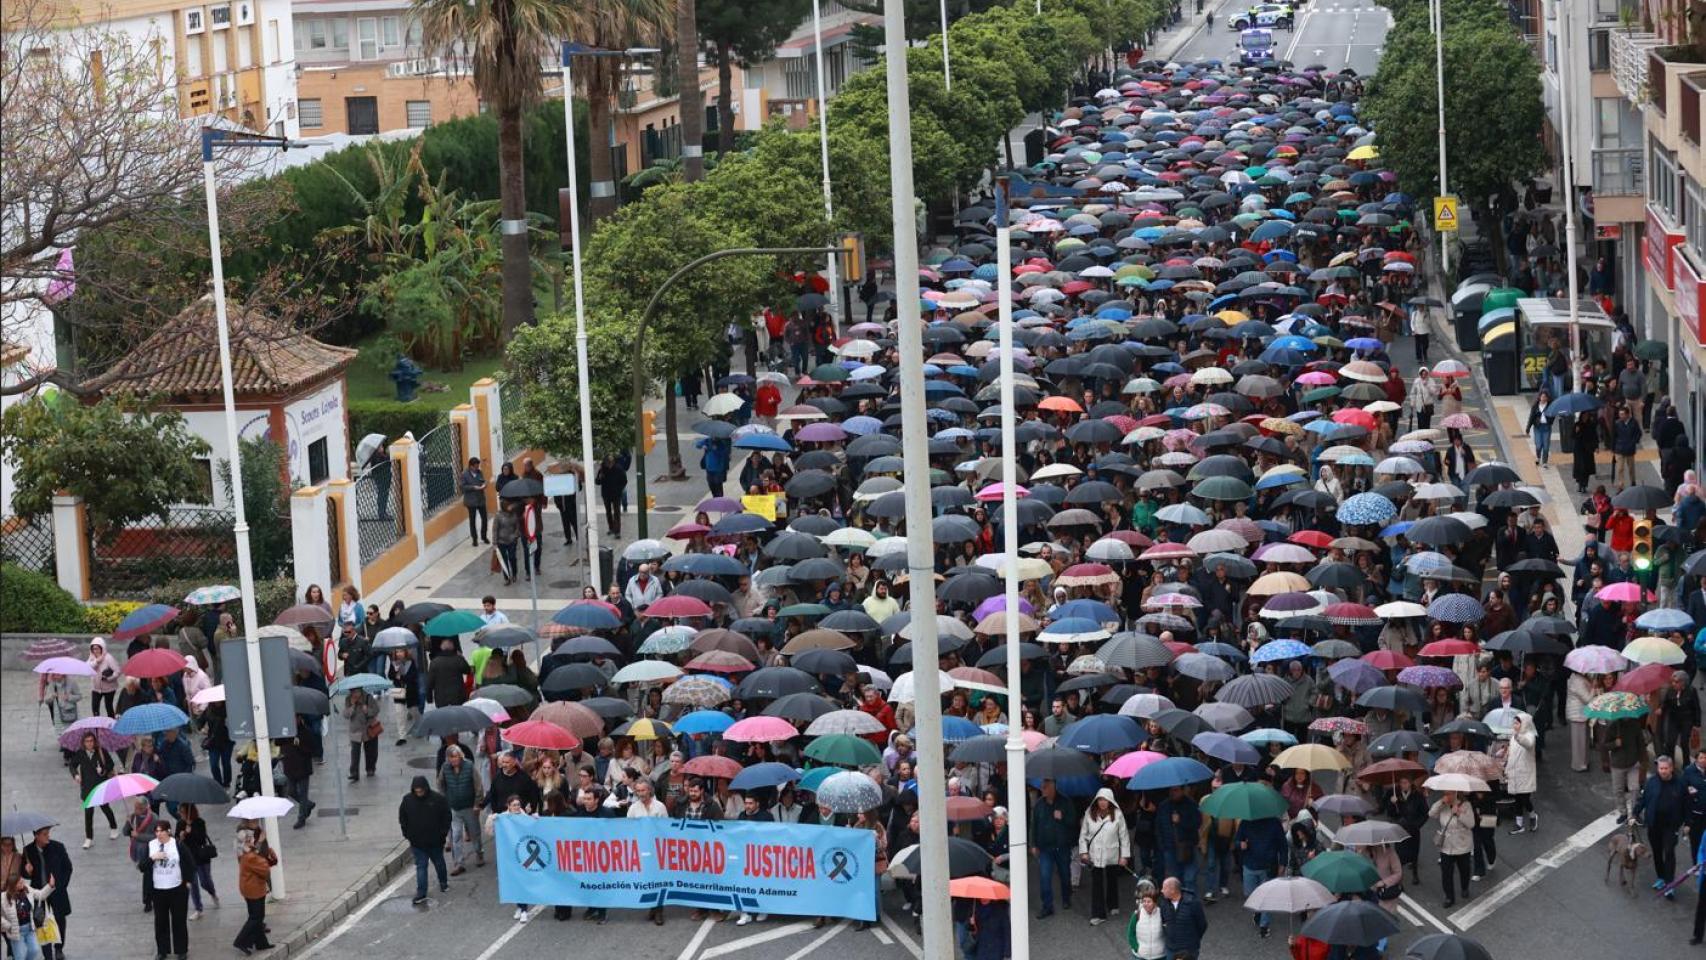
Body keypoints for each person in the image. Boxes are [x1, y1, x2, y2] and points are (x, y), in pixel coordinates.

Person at [1077, 787, 1130, 925]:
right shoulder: (1089, 813)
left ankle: (1113, 904)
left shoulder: (1117, 814)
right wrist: (1083, 852)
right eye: (1100, 799)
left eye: (1105, 800)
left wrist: (1124, 856)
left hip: (1112, 853)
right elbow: (1083, 836)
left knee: (1112, 879)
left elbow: (1124, 837)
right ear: (1096, 800)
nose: (1102, 802)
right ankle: (1098, 914)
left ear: (1110, 801)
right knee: (1097, 884)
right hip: (1095, 855)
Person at [1636, 755, 1687, 897]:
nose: (1663, 771)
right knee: (1657, 852)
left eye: (1665, 768)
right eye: (1660, 768)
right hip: (1654, 824)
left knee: (1669, 852)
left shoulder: (1680, 784)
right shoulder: (1652, 782)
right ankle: (1661, 878)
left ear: (1671, 768)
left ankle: (1670, 884)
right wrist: (1634, 814)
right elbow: (1643, 800)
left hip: (1670, 826)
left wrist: (1687, 823)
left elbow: (1686, 805)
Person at [399, 776, 452, 906]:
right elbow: (403, 818)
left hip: (435, 840)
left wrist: (442, 833)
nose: (419, 793)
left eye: (421, 790)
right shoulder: (407, 800)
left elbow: (447, 816)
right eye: (417, 791)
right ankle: (421, 892)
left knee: (438, 862)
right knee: (421, 866)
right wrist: (407, 834)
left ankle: (443, 882)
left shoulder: (438, 799)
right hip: (417, 842)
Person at [1029, 778, 1076, 918]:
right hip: (1045, 848)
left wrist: (1063, 817)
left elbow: (1073, 822)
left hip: (1062, 847)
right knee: (1044, 877)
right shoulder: (1038, 805)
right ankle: (1047, 906)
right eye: (1042, 787)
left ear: (1053, 787)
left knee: (1065, 875)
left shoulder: (1066, 802)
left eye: (1045, 787)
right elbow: (1033, 825)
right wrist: (1033, 844)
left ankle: (1066, 897)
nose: (1042, 790)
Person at [20, 827, 69, 960]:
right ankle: (47, 955)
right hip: (39, 894)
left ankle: (59, 948)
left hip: (56, 891)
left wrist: (60, 886)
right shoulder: (28, 851)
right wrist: (27, 871)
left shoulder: (58, 847)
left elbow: (68, 868)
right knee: (40, 923)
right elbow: (23, 873)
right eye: (44, 834)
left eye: (48, 833)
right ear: (36, 836)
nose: (48, 836)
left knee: (59, 920)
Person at [148, 820, 193, 960]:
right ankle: (162, 950)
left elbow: (190, 862)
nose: (159, 834)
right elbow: (142, 866)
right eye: (156, 831)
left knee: (179, 920)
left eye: (161, 830)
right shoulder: (151, 845)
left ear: (168, 831)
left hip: (177, 889)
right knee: (160, 922)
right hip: (158, 890)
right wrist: (152, 858)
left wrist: (188, 881)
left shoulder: (177, 844)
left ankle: (181, 950)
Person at [1235, 813, 1286, 938]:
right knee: (1249, 894)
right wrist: (1240, 844)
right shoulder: (1246, 822)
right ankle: (1258, 911)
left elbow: (1283, 845)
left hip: (1269, 867)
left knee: (1267, 896)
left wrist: (1283, 864)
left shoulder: (1274, 823)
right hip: (1250, 864)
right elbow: (1237, 840)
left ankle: (1264, 925)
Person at [626, 780, 669, 925]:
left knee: (658, 880)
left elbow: (666, 827)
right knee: (647, 880)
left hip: (657, 848)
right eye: (638, 791)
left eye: (643, 790)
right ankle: (652, 906)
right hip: (642, 849)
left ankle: (658, 911)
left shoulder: (660, 807)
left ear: (649, 790)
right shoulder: (633, 809)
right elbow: (628, 829)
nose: (640, 794)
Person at [437, 745, 486, 874]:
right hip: (453, 808)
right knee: (456, 835)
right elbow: (440, 784)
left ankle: (479, 853)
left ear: (461, 756)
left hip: (470, 807)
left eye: (456, 757)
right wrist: (444, 801)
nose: (454, 760)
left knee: (475, 833)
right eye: (451, 757)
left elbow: (478, 785)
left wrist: (477, 803)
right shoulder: (445, 768)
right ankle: (458, 863)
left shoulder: (469, 766)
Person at [69, 733, 118, 849]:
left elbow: (110, 764)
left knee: (105, 808)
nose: (89, 743)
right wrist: (76, 775)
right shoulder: (80, 753)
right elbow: (72, 765)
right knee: (88, 813)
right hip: (87, 787)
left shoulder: (101, 751)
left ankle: (114, 827)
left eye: (91, 741)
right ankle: (89, 838)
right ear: (83, 743)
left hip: (100, 785)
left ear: (94, 741)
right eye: (87, 741)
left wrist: (103, 769)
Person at [232, 836, 276, 955]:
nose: (253, 840)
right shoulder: (251, 857)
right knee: (256, 917)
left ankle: (261, 943)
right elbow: (265, 870)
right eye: (250, 840)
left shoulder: (248, 854)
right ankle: (241, 941)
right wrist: (266, 854)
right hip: (254, 890)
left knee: (257, 917)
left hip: (250, 889)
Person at [2, 872, 54, 960]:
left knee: (34, 950)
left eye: (22, 880)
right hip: (16, 932)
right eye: (20, 882)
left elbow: (40, 894)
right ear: (13, 885)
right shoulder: (4, 898)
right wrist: (7, 926)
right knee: (20, 957)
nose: (23, 883)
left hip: (30, 929)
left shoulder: (27, 890)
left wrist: (50, 886)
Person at [1158, 876, 1206, 960]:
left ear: (1172, 890)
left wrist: (1193, 939)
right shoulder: (1164, 904)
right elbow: (1163, 922)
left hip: (1189, 949)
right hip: (1171, 948)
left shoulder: (1193, 903)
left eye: (1164, 888)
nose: (1161, 891)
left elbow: (1202, 925)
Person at [1505, 715, 1539, 834]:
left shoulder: (1529, 735)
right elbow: (1511, 754)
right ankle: (1519, 825)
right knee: (1517, 800)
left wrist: (1517, 737)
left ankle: (1533, 815)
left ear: (1524, 723)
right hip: (1514, 773)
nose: (1515, 725)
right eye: (1514, 723)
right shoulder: (1513, 737)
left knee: (1525, 799)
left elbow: (1528, 744)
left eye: (1517, 723)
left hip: (1525, 773)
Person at [344, 687, 382, 782]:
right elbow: (345, 714)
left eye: (356, 691)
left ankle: (370, 769)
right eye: (352, 692)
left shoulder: (368, 698)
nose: (355, 694)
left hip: (368, 728)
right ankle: (354, 773)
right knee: (355, 752)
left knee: (371, 751)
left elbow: (376, 710)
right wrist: (352, 707)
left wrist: (367, 710)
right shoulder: (348, 699)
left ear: (361, 690)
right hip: (355, 730)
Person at [1126, 881, 1167, 960]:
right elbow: (1130, 933)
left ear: (1155, 902)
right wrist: (1136, 948)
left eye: (1149, 901)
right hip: (1140, 957)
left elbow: (1168, 932)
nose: (1146, 904)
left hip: (1159, 956)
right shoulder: (1137, 914)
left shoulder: (1161, 914)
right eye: (1144, 901)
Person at [460, 456, 489, 547]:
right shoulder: (464, 474)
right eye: (475, 466)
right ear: (471, 466)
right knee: (472, 520)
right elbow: (462, 487)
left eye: (478, 466)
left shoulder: (480, 473)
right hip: (471, 501)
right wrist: (473, 487)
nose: (477, 468)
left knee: (484, 518)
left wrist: (484, 485)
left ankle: (484, 536)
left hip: (480, 499)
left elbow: (482, 481)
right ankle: (474, 539)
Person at [86, 639, 119, 718]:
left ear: (102, 648)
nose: (95, 651)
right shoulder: (91, 658)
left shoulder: (108, 658)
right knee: (95, 708)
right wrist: (96, 661)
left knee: (109, 707)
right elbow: (87, 668)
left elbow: (117, 671)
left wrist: (109, 678)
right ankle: (97, 725)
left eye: (97, 648)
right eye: (93, 648)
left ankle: (111, 724)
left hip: (109, 688)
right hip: (96, 688)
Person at [1527, 389, 1555, 465]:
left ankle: (1545, 462)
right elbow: (1531, 417)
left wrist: (1550, 420)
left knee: (1546, 446)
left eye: (1545, 397)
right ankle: (1538, 457)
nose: (1543, 398)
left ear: (1547, 398)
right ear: (1539, 397)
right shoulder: (1535, 406)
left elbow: (1553, 415)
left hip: (1546, 427)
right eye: (1542, 397)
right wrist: (1528, 428)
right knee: (1538, 445)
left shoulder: (1550, 406)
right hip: (1538, 427)